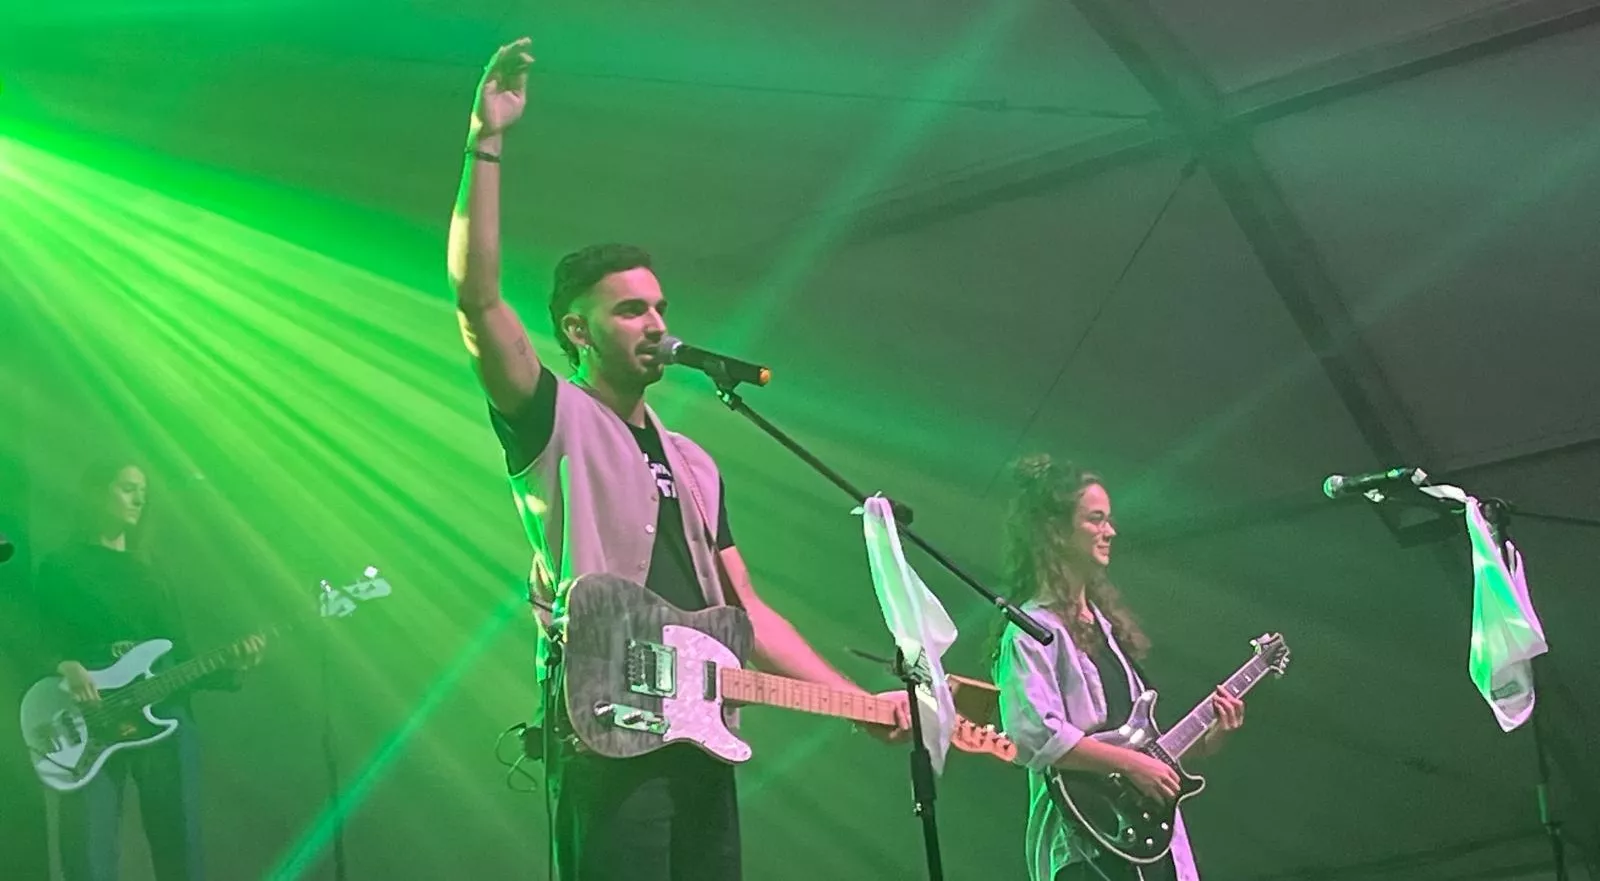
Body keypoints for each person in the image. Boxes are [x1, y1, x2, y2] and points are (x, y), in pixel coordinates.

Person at [448, 37, 909, 881]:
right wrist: (488, 137)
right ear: (578, 331)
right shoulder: (552, 415)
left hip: (701, 729)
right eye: (630, 310)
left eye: (660, 306)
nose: (657, 322)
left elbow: (749, 611)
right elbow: (477, 300)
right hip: (608, 726)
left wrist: (855, 703)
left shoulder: (694, 460)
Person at [991, 455, 1244, 881]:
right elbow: (1034, 736)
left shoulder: (1105, 631)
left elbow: (1144, 749)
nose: (1111, 531)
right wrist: (1130, 765)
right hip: (1088, 844)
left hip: (1145, 841)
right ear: (1054, 531)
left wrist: (1206, 741)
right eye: (1096, 519)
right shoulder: (1029, 633)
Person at [34, 458, 264, 881]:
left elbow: (182, 656)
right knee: (88, 851)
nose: (139, 498)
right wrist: (64, 665)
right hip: (91, 719)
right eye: (127, 487)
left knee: (180, 846)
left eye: (143, 490)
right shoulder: (60, 566)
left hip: (166, 717)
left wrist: (234, 666)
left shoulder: (152, 570)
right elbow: (29, 637)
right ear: (96, 491)